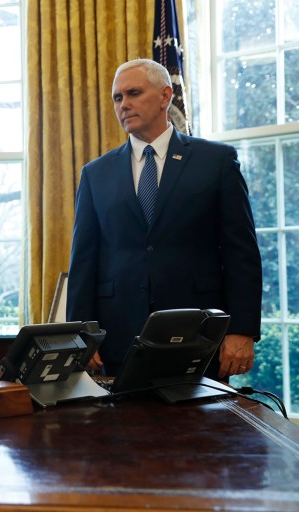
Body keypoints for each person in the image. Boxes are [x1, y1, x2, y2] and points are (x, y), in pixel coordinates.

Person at [66, 59, 262, 380]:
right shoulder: (95, 174)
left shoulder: (216, 162)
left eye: (133, 93)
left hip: (198, 334)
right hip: (118, 336)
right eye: (118, 98)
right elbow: (84, 262)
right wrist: (81, 334)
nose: (124, 104)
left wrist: (241, 330)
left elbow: (241, 254)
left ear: (165, 96)